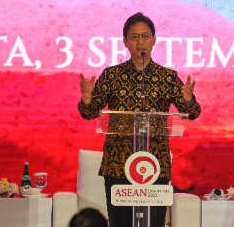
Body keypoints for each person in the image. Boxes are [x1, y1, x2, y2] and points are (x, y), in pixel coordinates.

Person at [78, 12, 201, 227]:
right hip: (118, 163)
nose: (140, 41)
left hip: (155, 162)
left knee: (154, 223)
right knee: (120, 222)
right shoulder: (112, 75)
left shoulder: (167, 77)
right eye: (134, 37)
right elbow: (89, 113)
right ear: (125, 41)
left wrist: (188, 100)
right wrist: (88, 99)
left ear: (154, 40)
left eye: (145, 36)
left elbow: (192, 112)